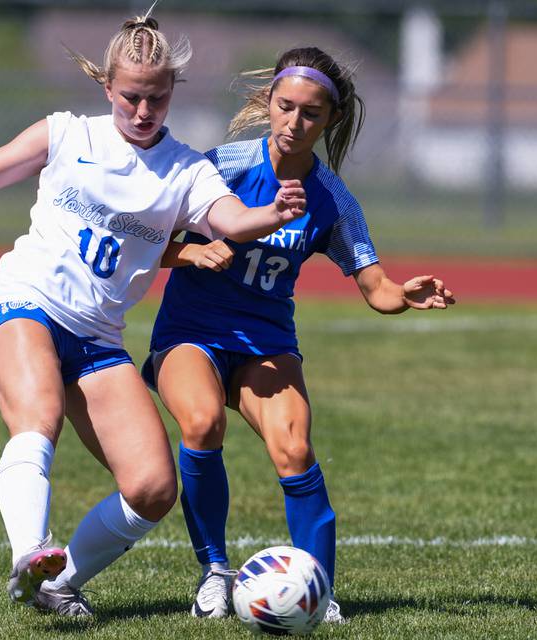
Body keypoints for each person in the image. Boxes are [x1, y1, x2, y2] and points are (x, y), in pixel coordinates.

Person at [0, 11, 309, 618]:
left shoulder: (186, 169)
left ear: (172, 94)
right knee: (40, 413)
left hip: (99, 336)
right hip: (29, 300)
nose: (142, 110)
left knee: (154, 488)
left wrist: (274, 213)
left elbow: (232, 218)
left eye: (156, 98)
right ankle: (31, 551)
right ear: (106, 86)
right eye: (131, 96)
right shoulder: (66, 134)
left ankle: (56, 584)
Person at [144, 46, 456, 623]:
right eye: (285, 107)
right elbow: (149, 241)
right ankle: (214, 572)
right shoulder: (222, 166)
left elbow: (377, 286)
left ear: (329, 119)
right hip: (191, 332)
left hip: (267, 342)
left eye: (310, 113)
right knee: (202, 422)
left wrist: (403, 297)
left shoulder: (333, 200)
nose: (294, 122)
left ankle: (319, 592)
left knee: (295, 448)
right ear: (269, 103)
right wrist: (191, 252)